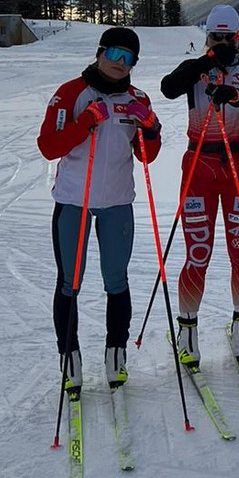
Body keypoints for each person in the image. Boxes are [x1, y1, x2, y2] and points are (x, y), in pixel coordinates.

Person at [37, 27, 162, 389]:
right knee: (70, 282)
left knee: (116, 280)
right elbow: (49, 146)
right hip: (74, 200)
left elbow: (147, 156)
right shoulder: (70, 93)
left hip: (117, 202)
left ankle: (115, 355)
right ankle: (70, 358)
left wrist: (150, 128)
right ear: (100, 53)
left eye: (129, 58)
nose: (121, 63)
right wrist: (85, 122)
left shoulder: (137, 98)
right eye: (115, 54)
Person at [160, 5, 239, 365]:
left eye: (228, 37)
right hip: (200, 165)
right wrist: (204, 63)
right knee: (198, 251)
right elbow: (168, 88)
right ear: (207, 38)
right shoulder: (194, 68)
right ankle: (187, 332)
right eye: (215, 37)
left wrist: (236, 96)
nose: (222, 43)